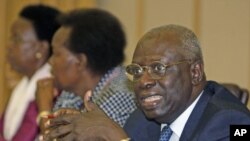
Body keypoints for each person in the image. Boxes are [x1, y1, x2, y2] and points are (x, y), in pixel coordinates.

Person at [44, 24, 250, 141]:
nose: (143, 81)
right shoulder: (142, 120)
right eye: (136, 71)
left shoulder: (232, 123)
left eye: (158, 68)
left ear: (195, 72)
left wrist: (116, 138)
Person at [40, 8, 136, 131]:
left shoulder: (120, 98)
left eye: (56, 53)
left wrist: (44, 110)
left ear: (80, 61)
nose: (50, 61)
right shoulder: (72, 92)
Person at [0, 5, 61, 141]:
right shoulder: (22, 86)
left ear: (41, 48)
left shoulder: (52, 92)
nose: (9, 45)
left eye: (16, 39)